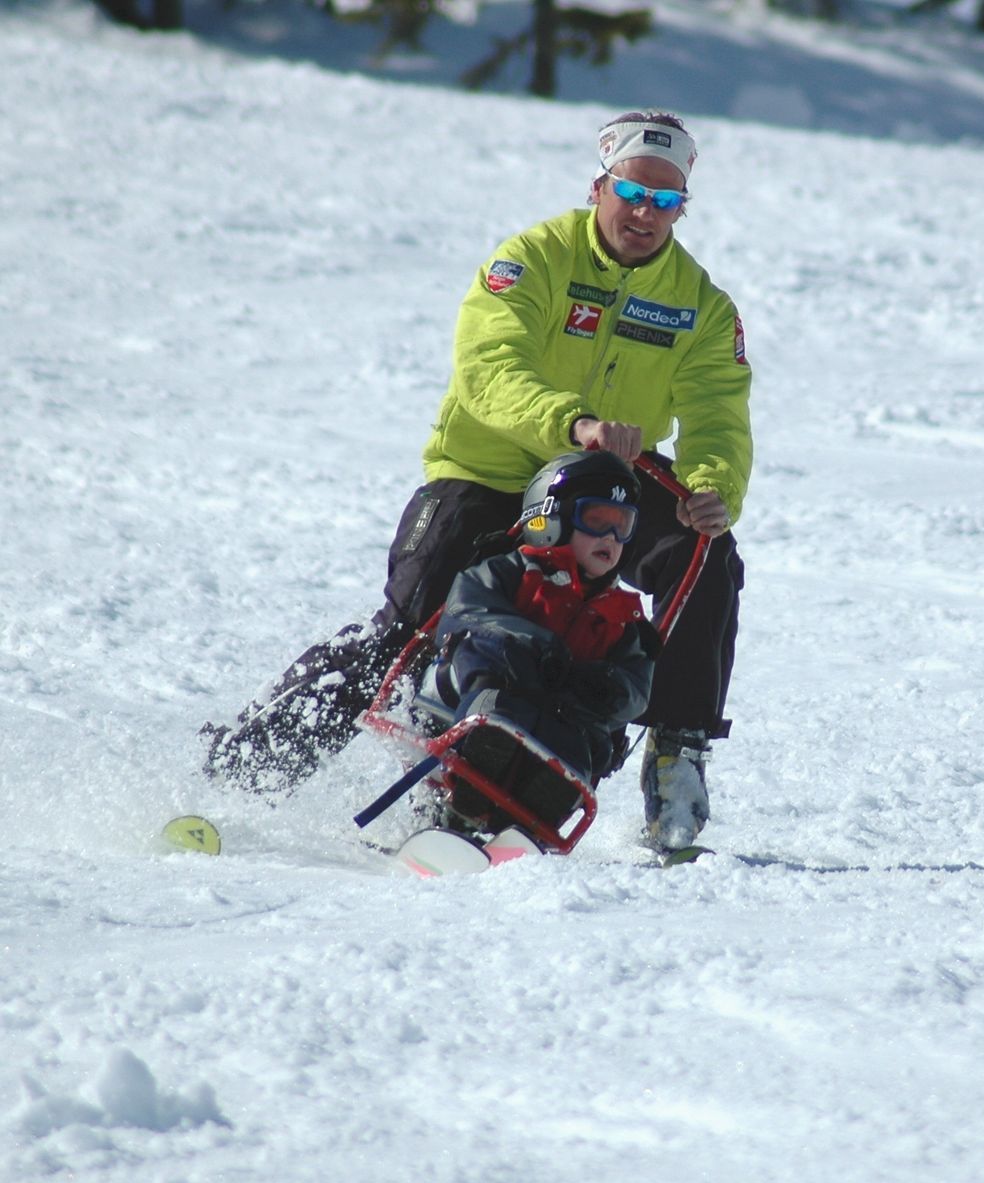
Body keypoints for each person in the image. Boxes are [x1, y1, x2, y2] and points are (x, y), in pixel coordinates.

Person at [202, 108, 753, 851]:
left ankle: (676, 756)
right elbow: (488, 367)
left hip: (602, 483)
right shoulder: (533, 259)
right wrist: (575, 422)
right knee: (407, 622)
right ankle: (242, 775)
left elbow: (719, 408)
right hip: (493, 469)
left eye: (666, 201)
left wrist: (712, 485)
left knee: (706, 554)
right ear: (600, 187)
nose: (646, 214)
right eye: (633, 192)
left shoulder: (699, 304)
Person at [413, 450, 656, 837]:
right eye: (596, 521)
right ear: (551, 519)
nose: (610, 537)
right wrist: (536, 647)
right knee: (494, 701)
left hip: (561, 724)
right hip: (484, 699)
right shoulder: (509, 570)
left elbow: (638, 686)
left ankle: (526, 826)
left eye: (622, 527)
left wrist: (606, 686)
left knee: (577, 751)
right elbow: (466, 612)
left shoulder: (624, 618)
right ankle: (462, 807)